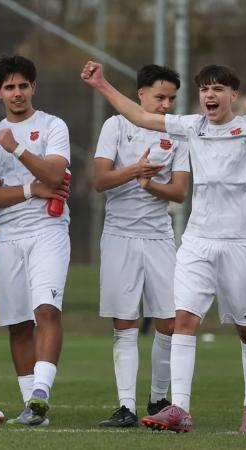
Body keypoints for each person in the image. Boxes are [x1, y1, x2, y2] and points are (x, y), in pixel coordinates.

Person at [81, 51, 246, 433]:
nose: (210, 95)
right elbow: (139, 115)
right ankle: (180, 409)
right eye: (205, 89)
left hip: (240, 242)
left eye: (218, 88)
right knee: (183, 320)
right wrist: (102, 84)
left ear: (233, 95)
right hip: (197, 242)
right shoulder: (190, 126)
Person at [92, 64, 190, 428]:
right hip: (119, 235)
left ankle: (158, 399)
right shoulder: (115, 126)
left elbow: (179, 192)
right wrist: (136, 170)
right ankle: (127, 407)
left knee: (169, 321)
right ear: (141, 95)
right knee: (126, 322)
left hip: (160, 237)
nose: (166, 105)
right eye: (160, 97)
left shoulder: (176, 133)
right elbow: (100, 180)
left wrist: (151, 186)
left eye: (171, 99)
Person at [0, 55, 71, 426]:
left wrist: (15, 148)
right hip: (9, 235)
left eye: (23, 86)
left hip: (48, 231)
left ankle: (40, 395)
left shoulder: (53, 125)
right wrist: (35, 188)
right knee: (18, 325)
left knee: (46, 311)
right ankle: (33, 412)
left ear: (33, 87)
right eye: (9, 87)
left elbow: (56, 171)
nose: (17, 93)